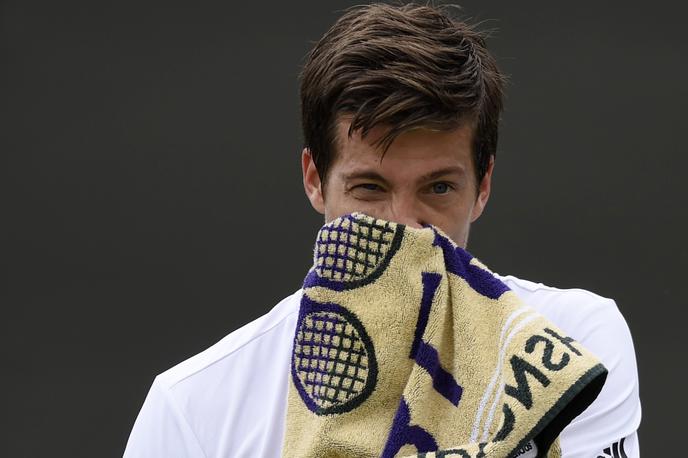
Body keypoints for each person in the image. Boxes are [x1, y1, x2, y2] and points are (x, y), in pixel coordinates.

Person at [123, 3, 641, 457]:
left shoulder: (577, 344)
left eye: (438, 188)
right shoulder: (192, 407)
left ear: (483, 187)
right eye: (369, 189)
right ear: (315, 181)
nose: (404, 226)